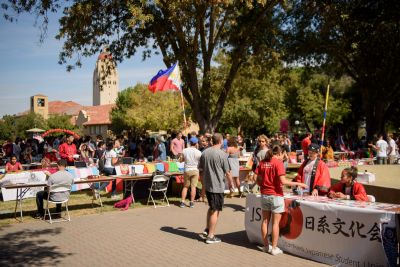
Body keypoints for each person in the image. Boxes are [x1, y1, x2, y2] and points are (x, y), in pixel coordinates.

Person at [255, 145, 307, 255]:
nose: (284, 156)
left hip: (264, 194)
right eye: (284, 154)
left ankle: (265, 246)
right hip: (276, 195)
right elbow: (283, 182)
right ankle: (274, 248)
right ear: (280, 153)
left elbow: (256, 178)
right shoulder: (278, 163)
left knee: (265, 221)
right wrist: (299, 183)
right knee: (275, 223)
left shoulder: (263, 162)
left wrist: (262, 185)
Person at [198, 133, 233, 244]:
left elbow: (201, 170)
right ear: (221, 141)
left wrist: (203, 186)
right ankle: (211, 236)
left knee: (211, 208)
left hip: (208, 185)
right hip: (216, 186)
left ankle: (207, 229)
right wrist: (231, 184)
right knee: (215, 210)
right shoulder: (222, 154)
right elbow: (228, 172)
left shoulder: (205, 153)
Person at [180, 136, 202, 208]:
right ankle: (191, 202)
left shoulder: (185, 150)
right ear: (196, 143)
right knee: (193, 187)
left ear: (190, 143)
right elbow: (200, 162)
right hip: (195, 170)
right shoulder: (199, 152)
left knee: (185, 187)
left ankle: (182, 202)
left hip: (187, 170)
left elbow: (181, 160)